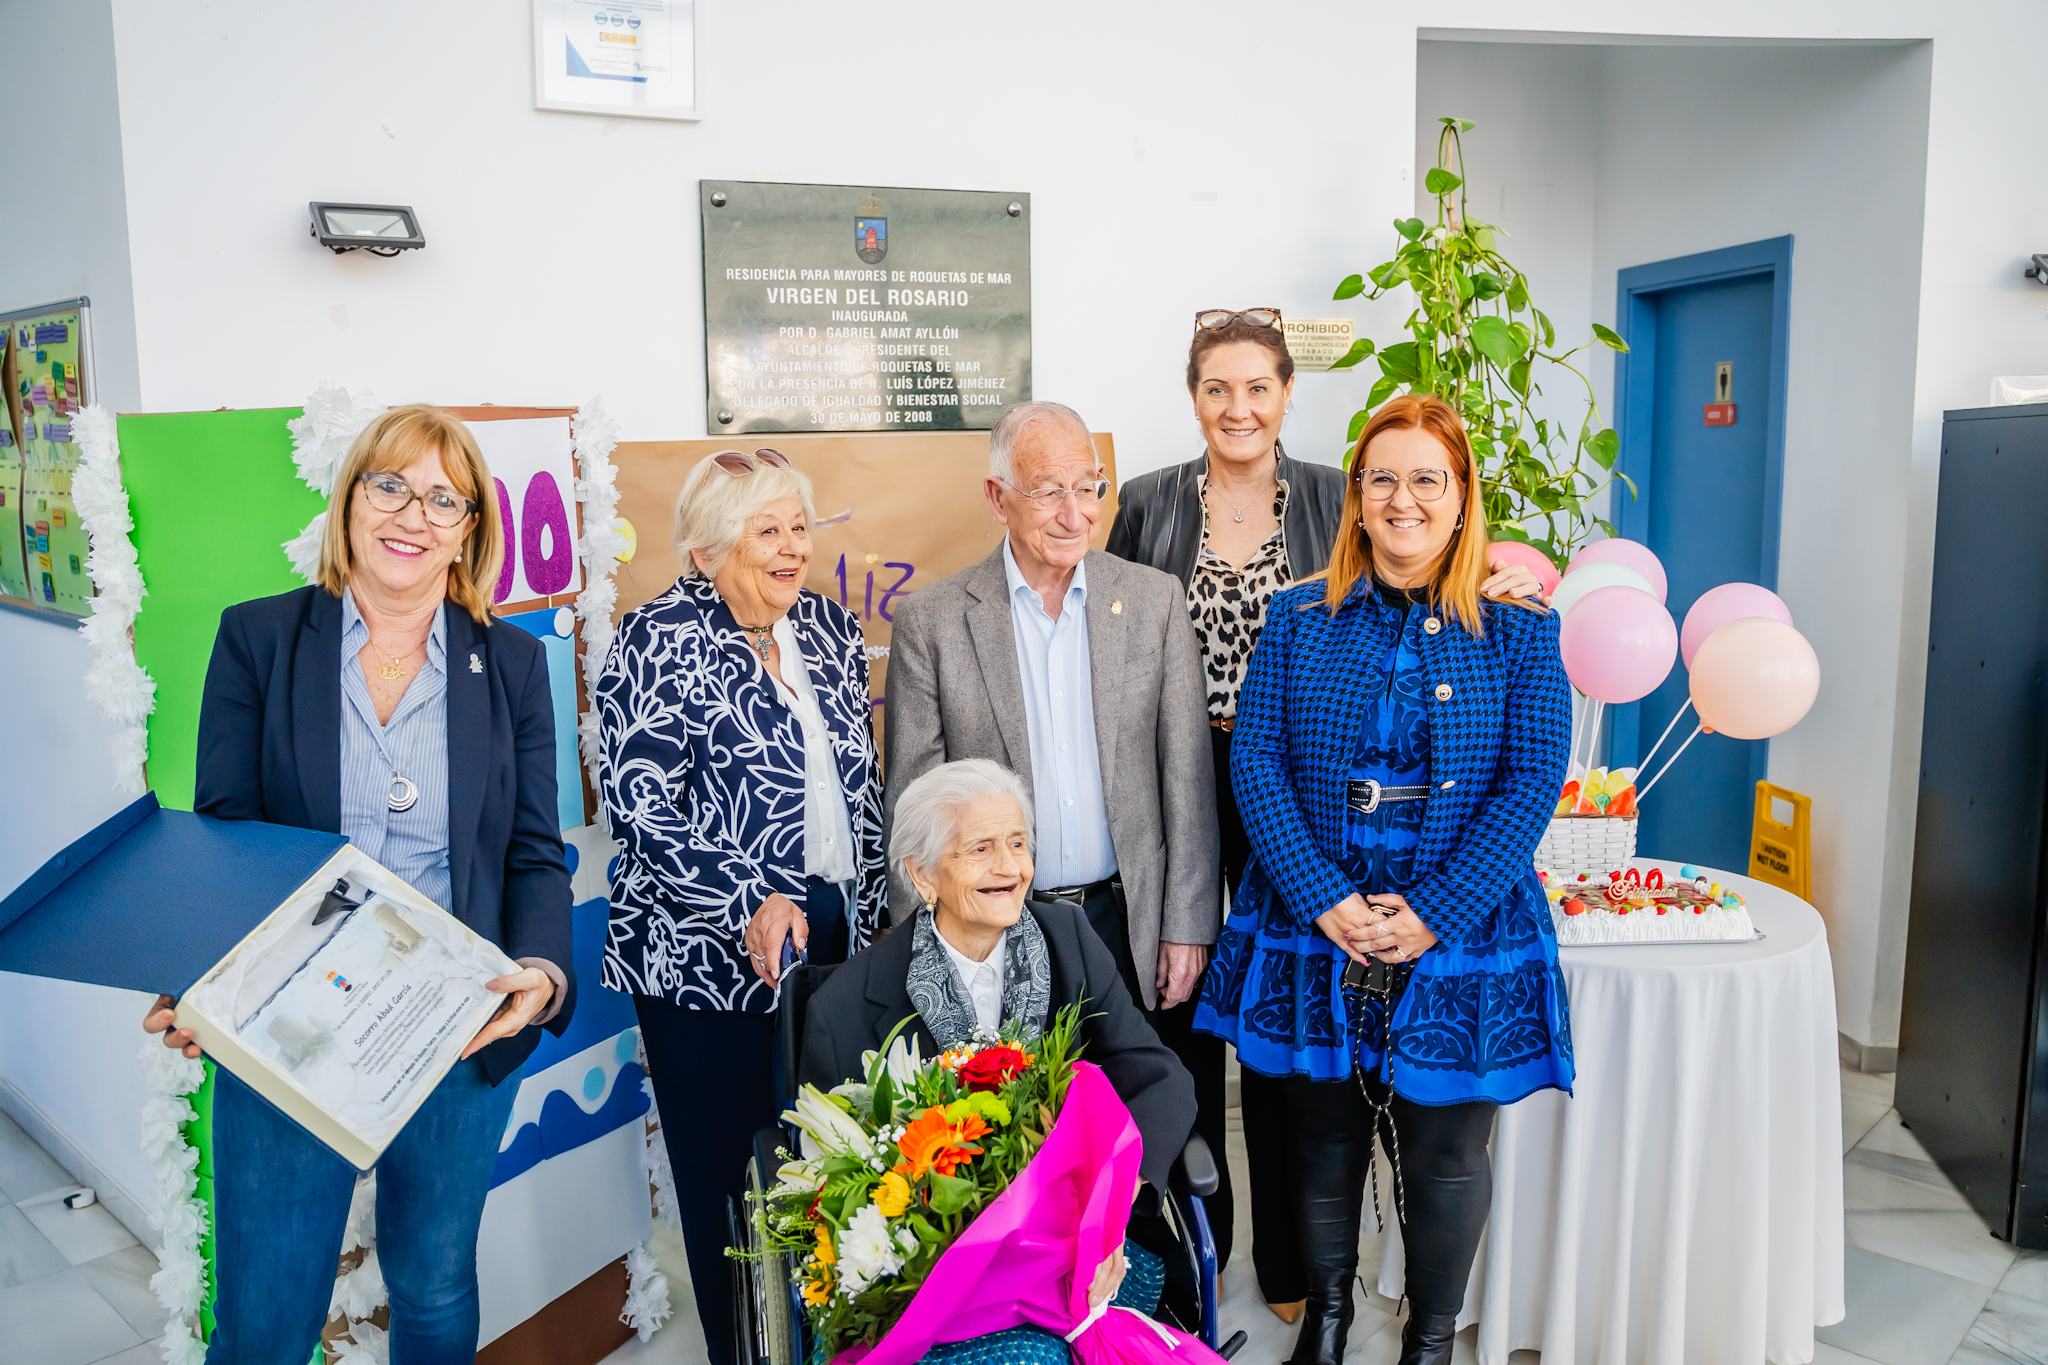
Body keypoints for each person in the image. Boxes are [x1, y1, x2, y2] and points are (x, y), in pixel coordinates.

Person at [1107, 309, 1548, 1319]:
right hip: (1196, 777)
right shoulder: (1149, 505)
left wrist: (1497, 572)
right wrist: (1318, 893)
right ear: (1192, 397)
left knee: (1307, 1074)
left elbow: (1517, 767)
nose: (1238, 406)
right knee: (1201, 1015)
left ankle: (1294, 1277)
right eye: (1216, 387)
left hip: (1322, 792)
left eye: (1257, 386)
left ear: (1286, 394)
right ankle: (1206, 1257)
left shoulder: (1328, 497)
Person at [145, 404, 576, 1364]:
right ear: (349, 500)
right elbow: (227, 841)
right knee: (265, 1318)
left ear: (469, 529)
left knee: (433, 1286)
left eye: (443, 499)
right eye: (390, 485)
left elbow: (533, 851)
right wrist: (203, 981)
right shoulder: (259, 639)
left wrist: (544, 974)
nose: (412, 515)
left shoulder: (510, 664)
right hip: (288, 1026)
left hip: (456, 1026)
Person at [1195, 393, 1574, 1365]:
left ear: (1461, 496)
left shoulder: (1520, 629)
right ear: (1356, 495)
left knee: (1445, 1151)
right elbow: (1255, 761)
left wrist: (1436, 911)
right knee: (1319, 1134)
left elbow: (1532, 778)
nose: (1403, 500)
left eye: (1425, 480)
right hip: (1312, 915)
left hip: (1463, 926)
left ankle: (1429, 1341)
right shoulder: (1297, 618)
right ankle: (1327, 1319)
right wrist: (1321, 895)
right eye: (1382, 479)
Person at [882, 399, 1219, 1198]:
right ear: (998, 497)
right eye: (1048, 492)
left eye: (1089, 487)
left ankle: (1159, 1275)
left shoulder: (1153, 601)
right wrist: (926, 955)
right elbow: (913, 810)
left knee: (1153, 1139)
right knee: (1012, 1148)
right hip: (999, 925)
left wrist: (1185, 924)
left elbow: (1187, 781)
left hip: (1127, 918)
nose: (1076, 513)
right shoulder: (935, 621)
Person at [596, 446, 886, 1365]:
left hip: (832, 939)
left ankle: (824, 1343)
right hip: (706, 960)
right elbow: (643, 804)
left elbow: (858, 788)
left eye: (799, 526)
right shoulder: (657, 637)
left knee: (833, 1159)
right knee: (731, 1177)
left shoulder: (829, 630)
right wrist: (747, 898)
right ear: (707, 548)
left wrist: (882, 905)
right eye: (768, 531)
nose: (793, 547)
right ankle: (742, 1352)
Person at [801, 758, 1194, 1363]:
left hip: (1089, 1247)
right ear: (922, 875)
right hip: (939, 1279)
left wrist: (1112, 1208)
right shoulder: (844, 1007)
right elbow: (838, 1185)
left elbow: (1159, 1076)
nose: (1009, 867)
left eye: (1017, 843)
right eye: (980, 849)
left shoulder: (1069, 940)